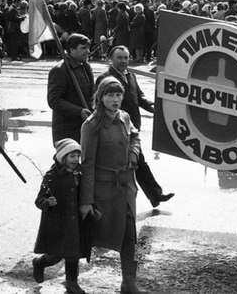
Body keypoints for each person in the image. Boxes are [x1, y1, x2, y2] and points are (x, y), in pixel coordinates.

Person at [79, 76, 147, 294]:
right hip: (103, 191)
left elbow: (135, 137)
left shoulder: (125, 117)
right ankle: (46, 260)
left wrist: (133, 155)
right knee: (84, 236)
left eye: (119, 95)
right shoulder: (91, 125)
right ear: (101, 97)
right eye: (110, 95)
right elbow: (87, 165)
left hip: (125, 188)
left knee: (128, 235)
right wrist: (86, 201)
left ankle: (129, 282)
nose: (116, 99)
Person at [95, 45, 174, 208]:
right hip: (114, 128)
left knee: (137, 160)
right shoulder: (104, 78)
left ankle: (154, 195)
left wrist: (155, 108)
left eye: (126, 57)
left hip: (132, 126)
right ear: (111, 59)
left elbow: (139, 96)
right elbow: (97, 103)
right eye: (119, 58)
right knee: (135, 161)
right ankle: (150, 195)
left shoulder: (131, 76)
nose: (124, 61)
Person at [32, 138, 87, 294]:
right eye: (72, 156)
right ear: (63, 158)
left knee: (73, 254)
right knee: (55, 256)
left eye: (78, 155)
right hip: (58, 222)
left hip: (74, 221)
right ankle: (39, 263)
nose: (76, 159)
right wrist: (47, 202)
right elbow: (39, 199)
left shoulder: (81, 172)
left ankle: (72, 283)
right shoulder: (51, 176)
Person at [47, 33, 94, 144]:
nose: (88, 51)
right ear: (71, 49)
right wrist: (79, 111)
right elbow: (54, 100)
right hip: (66, 130)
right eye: (83, 48)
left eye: (88, 47)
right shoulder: (60, 70)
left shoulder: (85, 66)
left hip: (85, 127)